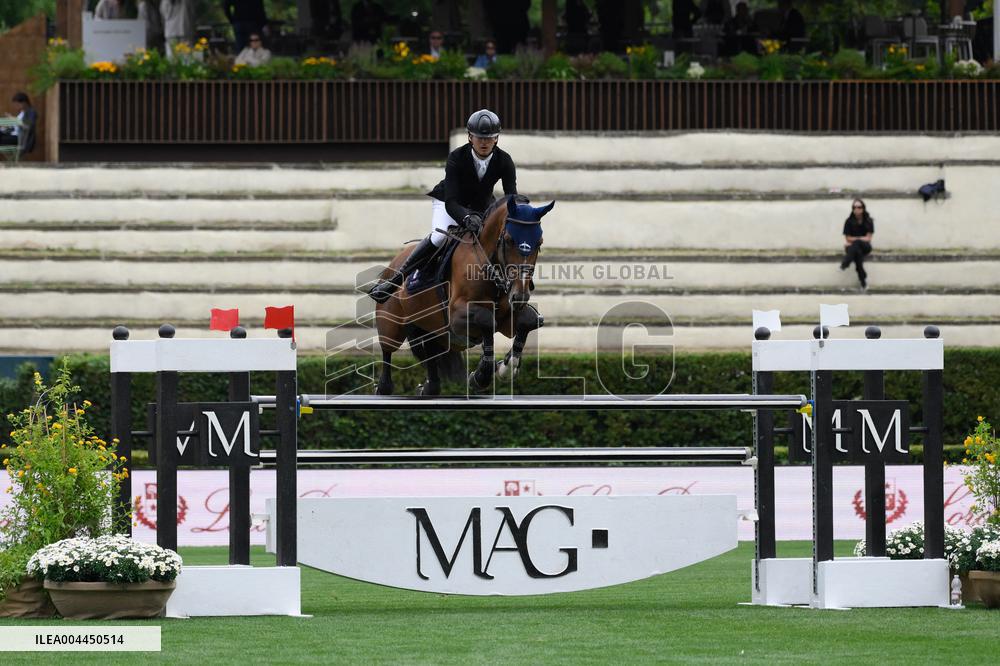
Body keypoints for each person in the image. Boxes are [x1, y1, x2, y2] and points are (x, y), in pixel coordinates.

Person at [369, 109, 517, 303]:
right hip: (449, 201)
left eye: (489, 138)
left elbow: (510, 197)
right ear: (470, 137)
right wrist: (465, 218)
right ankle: (396, 280)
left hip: (481, 204)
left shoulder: (505, 160)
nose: (484, 142)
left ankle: (513, 287)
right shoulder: (457, 157)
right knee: (440, 237)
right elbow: (452, 201)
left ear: (496, 139)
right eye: (479, 137)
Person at [840, 198, 874, 291]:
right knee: (857, 254)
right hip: (852, 249)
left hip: (865, 247)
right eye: (854, 207)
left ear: (863, 208)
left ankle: (846, 262)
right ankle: (863, 280)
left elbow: (868, 238)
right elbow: (847, 238)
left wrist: (856, 240)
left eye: (859, 207)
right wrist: (858, 240)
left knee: (857, 243)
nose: (856, 209)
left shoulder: (869, 220)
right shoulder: (848, 221)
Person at [0, 92, 38, 158]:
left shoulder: (31, 112)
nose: (16, 106)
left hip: (20, 139)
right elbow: (16, 127)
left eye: (17, 104)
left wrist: (15, 120)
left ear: (24, 102)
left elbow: (28, 127)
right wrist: (6, 127)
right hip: (13, 135)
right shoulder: (22, 112)